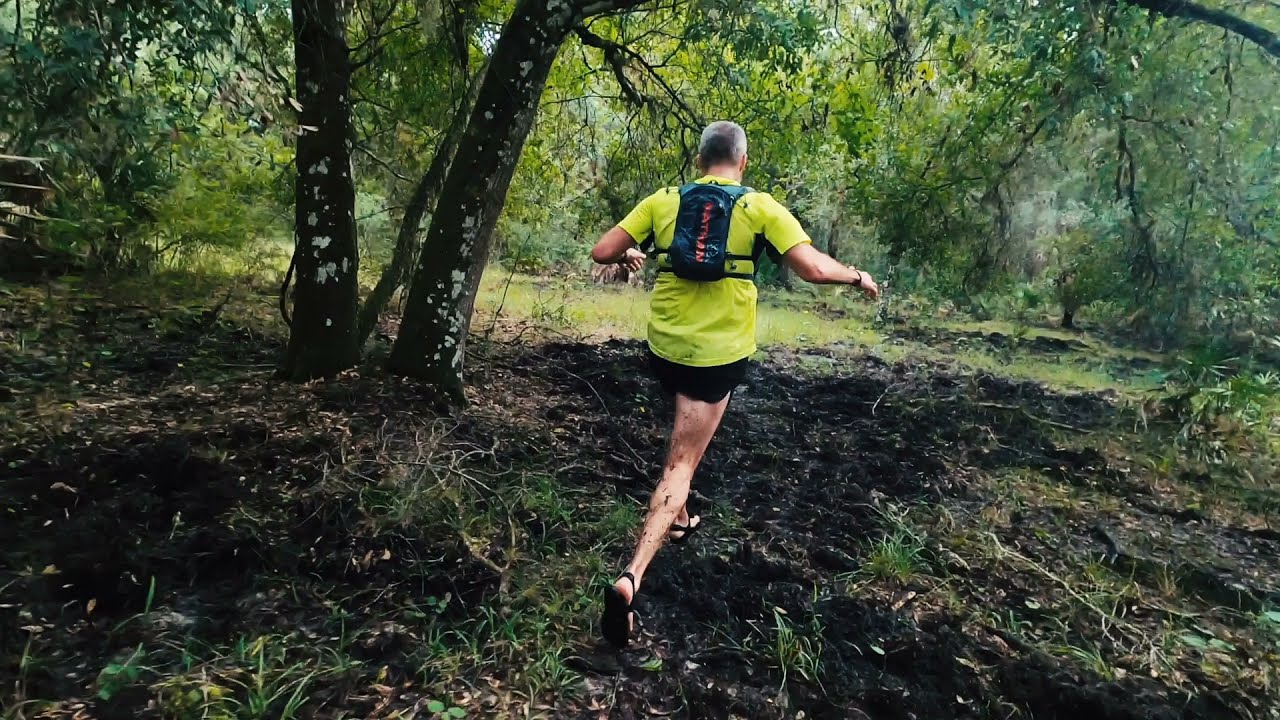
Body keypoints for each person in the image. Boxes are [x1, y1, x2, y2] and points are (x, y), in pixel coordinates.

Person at [589, 120, 880, 647]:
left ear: (701, 160)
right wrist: (857, 276)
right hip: (716, 357)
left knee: (682, 433)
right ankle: (632, 576)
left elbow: (602, 251)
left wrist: (636, 252)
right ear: (742, 161)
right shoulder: (759, 207)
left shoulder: (663, 200)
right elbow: (812, 268)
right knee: (682, 462)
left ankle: (678, 520)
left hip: (665, 348)